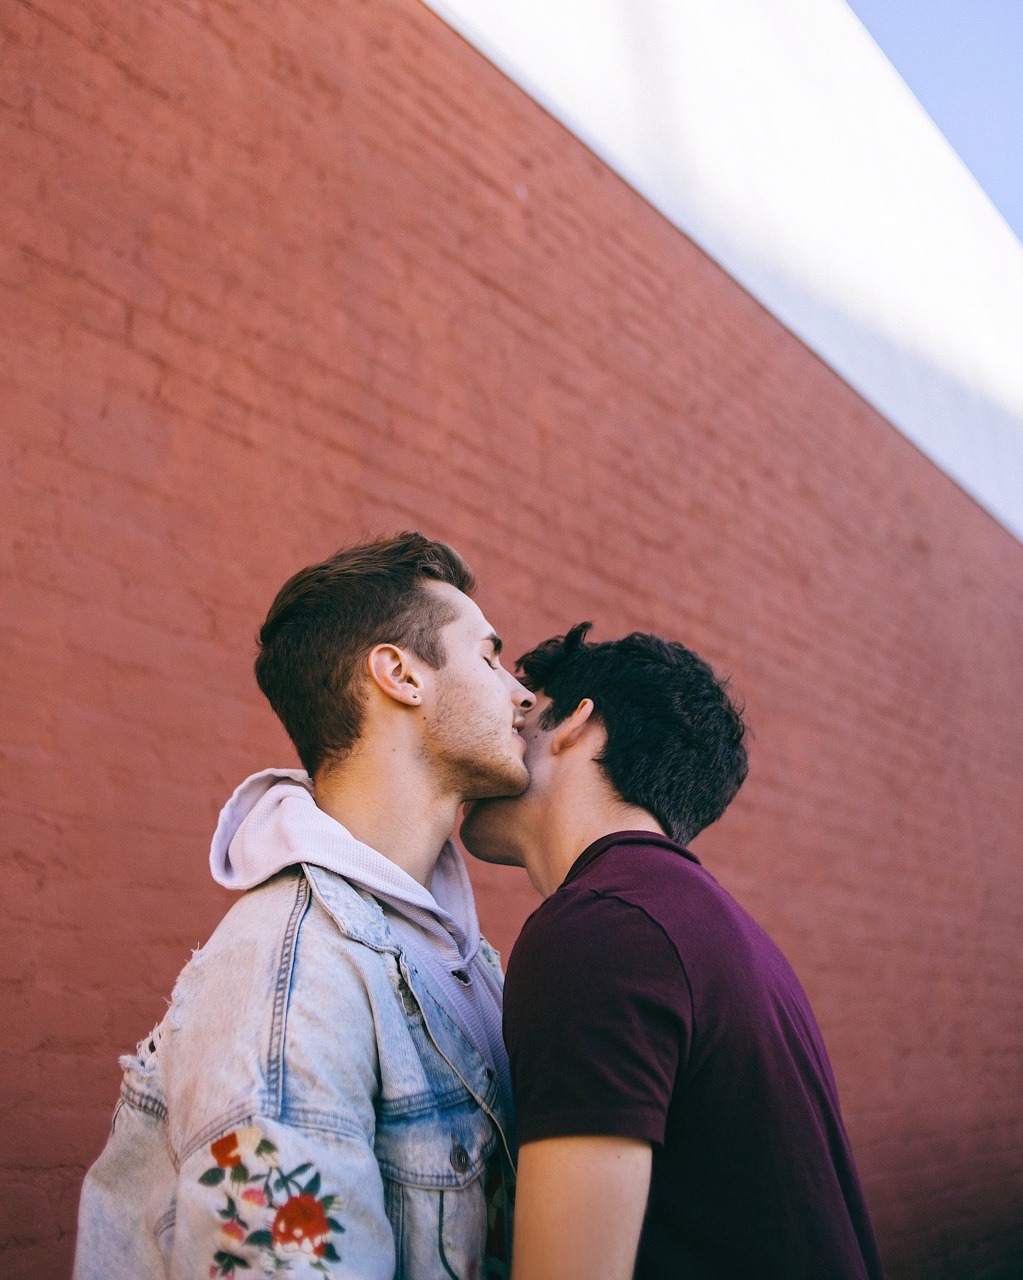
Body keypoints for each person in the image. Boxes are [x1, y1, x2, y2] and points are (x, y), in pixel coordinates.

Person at [74, 532, 535, 1280]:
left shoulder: (454, 957)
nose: (519, 692)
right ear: (400, 676)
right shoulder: (293, 979)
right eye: (487, 656)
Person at [461, 623, 886, 1280]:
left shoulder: (602, 932)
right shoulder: (701, 925)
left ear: (575, 724)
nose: (499, 737)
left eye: (526, 714)